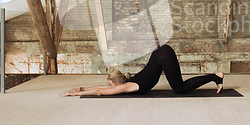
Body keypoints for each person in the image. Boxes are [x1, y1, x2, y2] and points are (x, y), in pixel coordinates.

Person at [63, 44, 224, 96]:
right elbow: (101, 88)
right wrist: (81, 88)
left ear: (117, 83)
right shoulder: (124, 83)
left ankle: (215, 77)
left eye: (111, 84)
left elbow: (100, 92)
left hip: (163, 56)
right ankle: (215, 77)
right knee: (179, 87)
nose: (110, 87)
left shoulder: (124, 87)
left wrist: (77, 93)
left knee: (180, 88)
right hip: (161, 54)